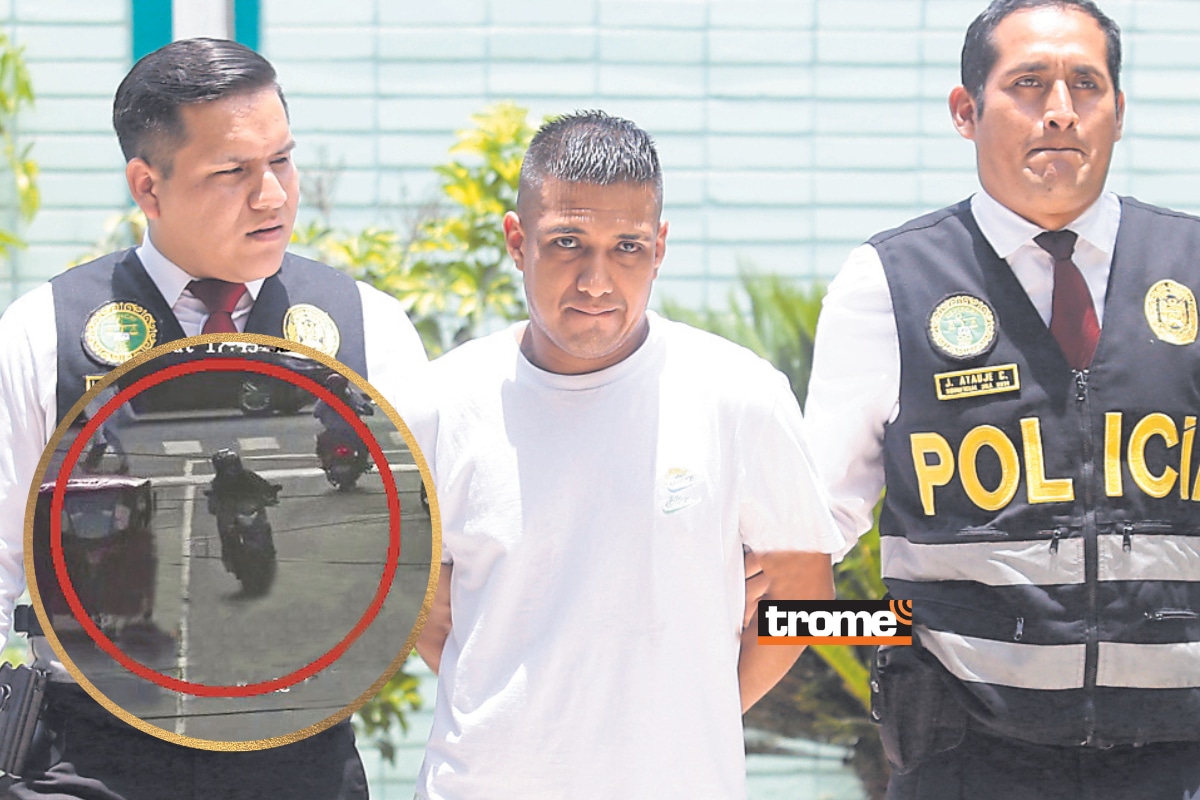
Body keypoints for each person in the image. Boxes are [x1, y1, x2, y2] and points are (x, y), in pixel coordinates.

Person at [0, 38, 427, 799]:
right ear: (148, 185)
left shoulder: (368, 326)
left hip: (300, 752)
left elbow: (428, 567)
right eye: (233, 172)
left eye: (282, 161)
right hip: (93, 752)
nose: (272, 195)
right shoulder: (45, 334)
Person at [804, 2, 1200, 798]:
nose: (1060, 109)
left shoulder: (1190, 265)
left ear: (1119, 112)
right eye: (1027, 83)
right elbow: (807, 536)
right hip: (966, 763)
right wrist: (901, 638)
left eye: (1085, 84)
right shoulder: (889, 284)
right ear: (966, 110)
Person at [408, 111, 845, 800]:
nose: (597, 281)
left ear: (660, 247)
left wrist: (692, 723)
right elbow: (426, 608)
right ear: (517, 241)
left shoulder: (741, 397)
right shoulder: (438, 405)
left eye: (628, 248)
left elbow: (802, 591)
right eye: (568, 243)